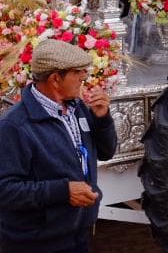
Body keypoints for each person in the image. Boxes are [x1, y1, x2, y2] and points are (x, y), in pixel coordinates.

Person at [0, 39, 118, 252]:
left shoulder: (78, 108)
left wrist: (102, 119)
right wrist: (63, 191)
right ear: (55, 79)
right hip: (36, 244)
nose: (84, 76)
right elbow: (5, 191)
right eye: (78, 71)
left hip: (78, 236)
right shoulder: (15, 126)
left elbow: (106, 152)